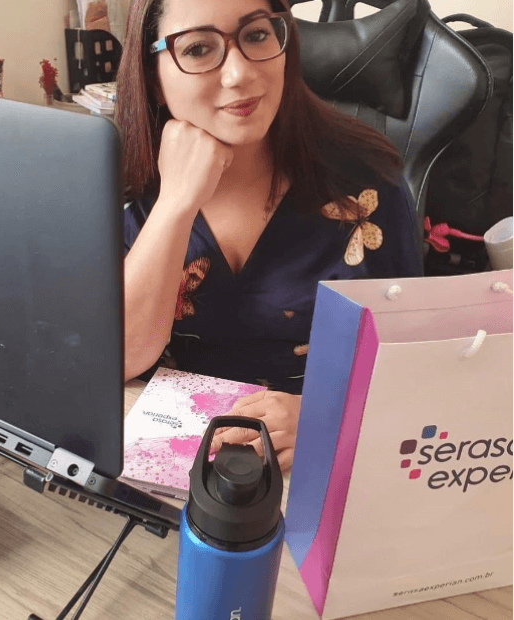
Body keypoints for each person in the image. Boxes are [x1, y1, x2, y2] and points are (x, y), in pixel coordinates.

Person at [116, 0, 423, 471]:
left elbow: (415, 364)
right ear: (152, 76)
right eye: (198, 48)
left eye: (257, 35)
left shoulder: (368, 188)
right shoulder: (125, 190)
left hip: (319, 464)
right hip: (169, 465)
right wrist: (176, 203)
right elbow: (119, 359)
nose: (240, 73)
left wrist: (329, 417)